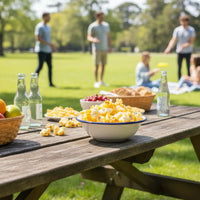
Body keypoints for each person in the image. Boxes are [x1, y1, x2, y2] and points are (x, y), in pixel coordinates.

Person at [164, 15, 195, 80]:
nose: (183, 23)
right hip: (179, 52)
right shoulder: (177, 30)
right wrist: (168, 48)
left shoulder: (191, 30)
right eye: (182, 21)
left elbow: (191, 42)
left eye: (184, 21)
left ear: (187, 22)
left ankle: (190, 81)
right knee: (179, 68)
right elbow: (173, 40)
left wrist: (183, 46)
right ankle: (179, 81)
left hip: (188, 52)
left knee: (188, 67)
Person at [87, 11, 112, 88]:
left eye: (103, 16)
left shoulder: (106, 25)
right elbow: (89, 37)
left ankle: (101, 81)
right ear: (97, 17)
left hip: (105, 48)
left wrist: (110, 46)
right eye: (101, 17)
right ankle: (96, 81)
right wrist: (93, 40)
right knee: (97, 65)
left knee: (103, 65)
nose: (102, 18)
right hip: (97, 49)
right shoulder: (92, 26)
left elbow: (108, 37)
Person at [34, 12, 56, 87]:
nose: (50, 18)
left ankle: (50, 83)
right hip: (41, 50)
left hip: (48, 50)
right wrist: (50, 44)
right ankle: (33, 83)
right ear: (44, 17)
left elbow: (47, 39)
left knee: (50, 67)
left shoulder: (48, 26)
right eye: (48, 17)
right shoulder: (39, 26)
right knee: (40, 67)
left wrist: (52, 47)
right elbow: (38, 38)